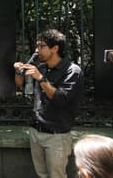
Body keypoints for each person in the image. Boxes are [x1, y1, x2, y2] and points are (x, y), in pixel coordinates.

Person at [13, 29, 85, 178]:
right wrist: (18, 70)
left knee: (56, 175)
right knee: (42, 175)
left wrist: (40, 78)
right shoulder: (42, 67)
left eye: (41, 46)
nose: (36, 50)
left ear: (55, 48)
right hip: (36, 132)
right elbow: (19, 84)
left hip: (56, 135)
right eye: (37, 46)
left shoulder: (72, 71)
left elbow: (61, 99)